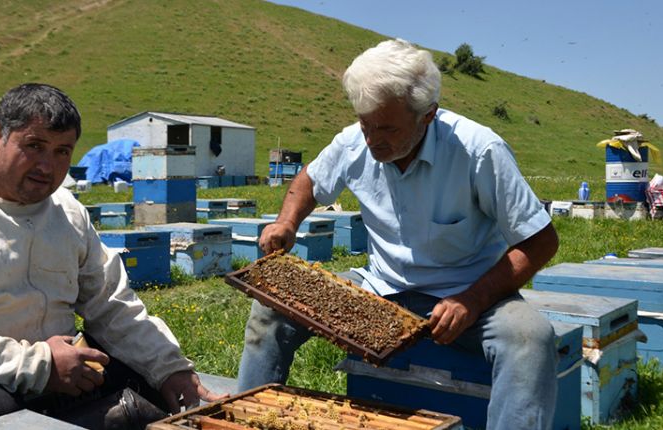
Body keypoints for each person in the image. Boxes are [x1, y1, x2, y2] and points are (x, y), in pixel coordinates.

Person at [237, 39, 560, 430]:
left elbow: (541, 240)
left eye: (386, 127)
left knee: (532, 338)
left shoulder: (479, 150)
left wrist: (473, 299)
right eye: (365, 123)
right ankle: (249, 419)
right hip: (379, 288)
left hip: (470, 295)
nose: (372, 138)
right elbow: (309, 181)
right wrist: (287, 222)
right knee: (271, 310)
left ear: (427, 115)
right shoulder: (354, 142)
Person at [0, 83, 223, 429]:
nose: (47, 166)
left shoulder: (67, 211)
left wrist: (170, 369)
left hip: (63, 373)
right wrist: (40, 364)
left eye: (63, 152)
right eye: (34, 146)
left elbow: (111, 305)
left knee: (145, 379)